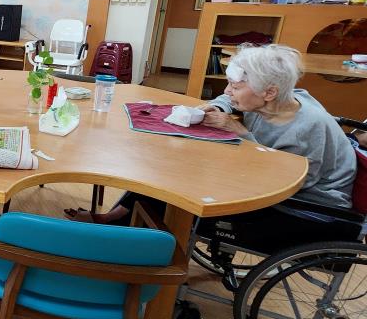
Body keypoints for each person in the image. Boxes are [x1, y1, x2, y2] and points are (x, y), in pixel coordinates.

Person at [65, 44, 357, 230]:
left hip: (308, 208)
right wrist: (218, 107)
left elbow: (291, 180)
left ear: (269, 92)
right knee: (167, 168)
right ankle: (115, 220)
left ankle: (139, 245)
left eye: (236, 87)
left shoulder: (309, 125)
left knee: (183, 188)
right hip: (268, 180)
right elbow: (226, 99)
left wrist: (243, 134)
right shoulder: (275, 100)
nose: (228, 91)